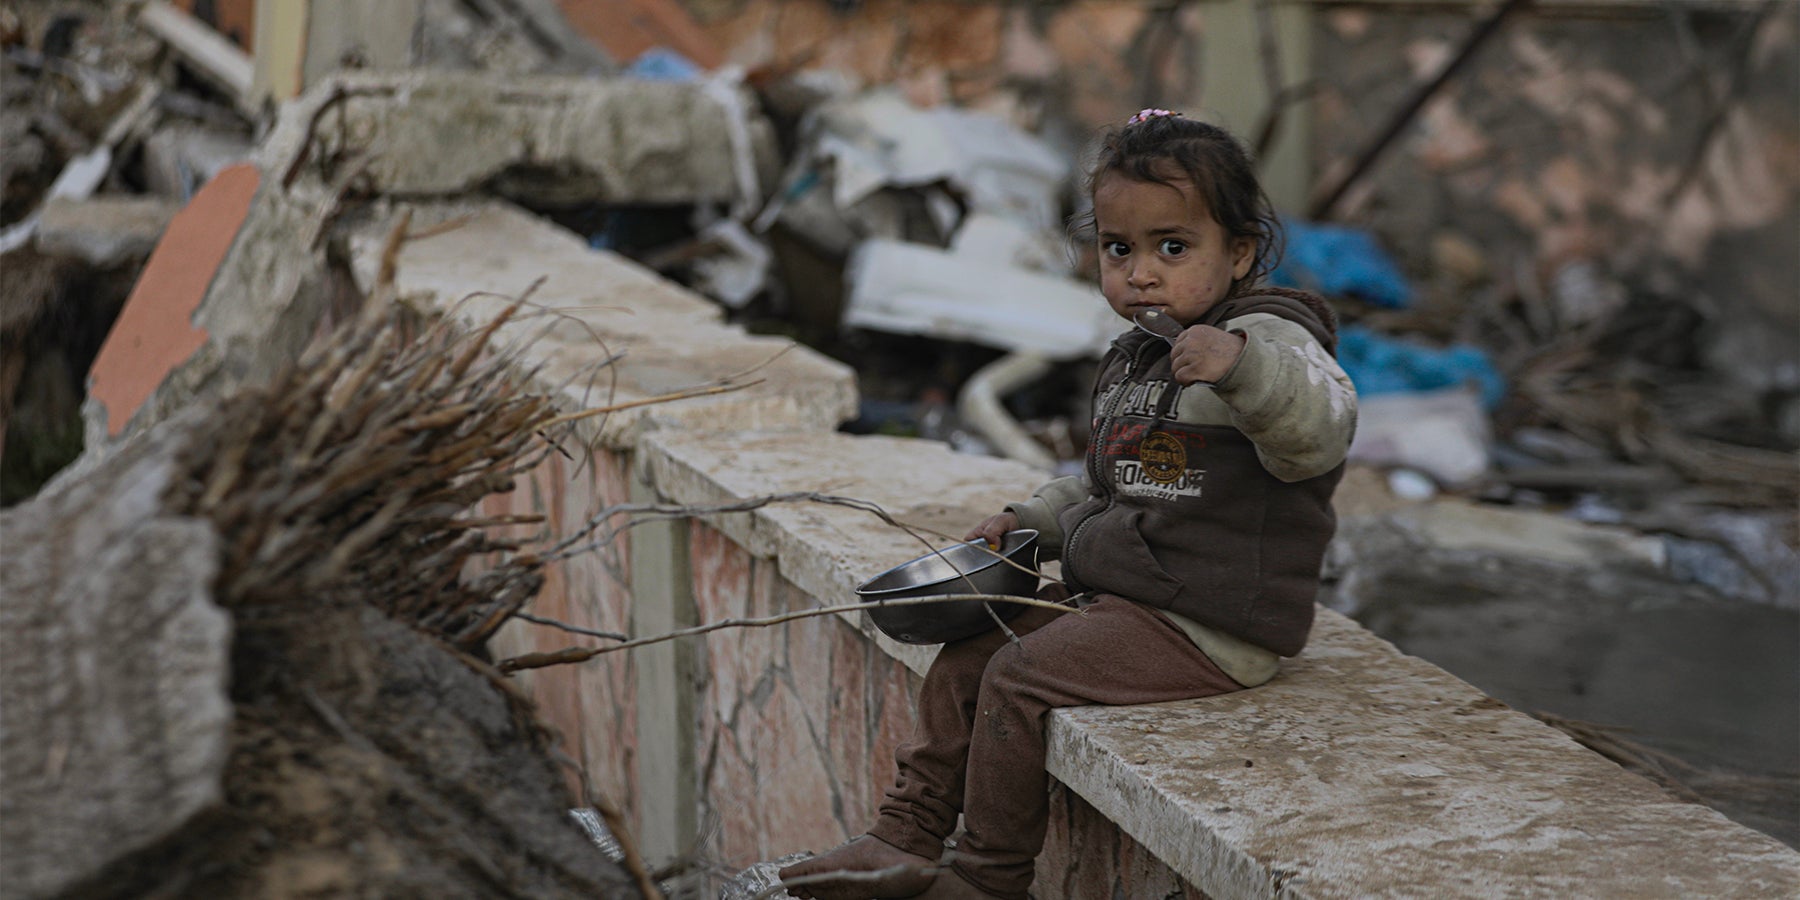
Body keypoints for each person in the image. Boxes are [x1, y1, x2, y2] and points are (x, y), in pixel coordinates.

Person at [778, 109, 1358, 900]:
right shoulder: (1138, 358)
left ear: (1242, 252)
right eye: (1120, 249)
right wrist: (1033, 522)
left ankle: (987, 878)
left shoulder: (1269, 336)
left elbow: (1318, 434)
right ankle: (902, 836)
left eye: (1173, 247)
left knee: (1020, 673)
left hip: (1211, 623)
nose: (1141, 272)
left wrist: (1242, 369)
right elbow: (1104, 481)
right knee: (965, 659)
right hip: (1132, 601)